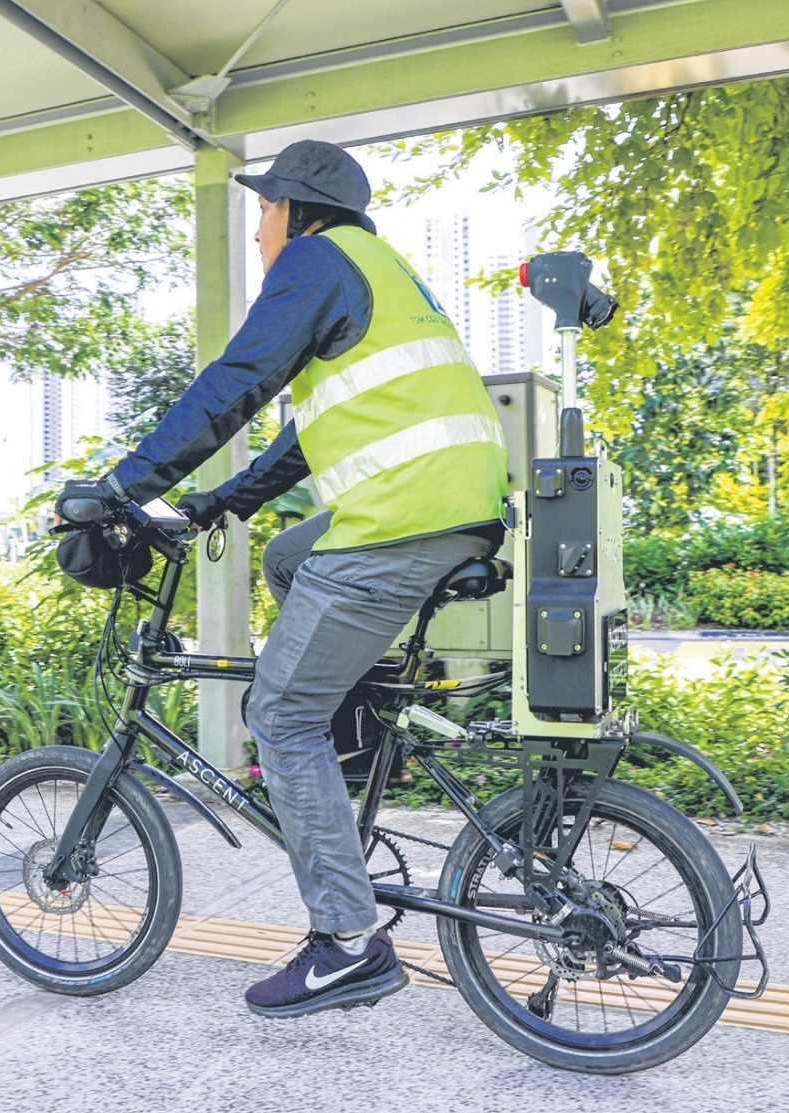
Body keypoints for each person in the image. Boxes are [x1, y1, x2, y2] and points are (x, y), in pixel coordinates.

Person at [56, 140, 508, 1018]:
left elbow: (237, 382)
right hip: (450, 509)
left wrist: (123, 487)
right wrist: (219, 502)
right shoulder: (379, 271)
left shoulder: (315, 260)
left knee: (279, 713)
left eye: (263, 209)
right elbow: (305, 436)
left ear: (297, 211)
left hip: (403, 521)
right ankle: (343, 737)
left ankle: (347, 943)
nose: (258, 226)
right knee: (286, 559)